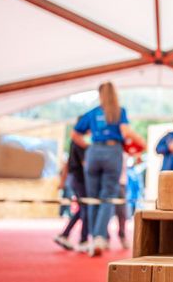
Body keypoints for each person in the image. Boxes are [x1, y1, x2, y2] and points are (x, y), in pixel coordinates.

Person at [72, 82, 144, 257]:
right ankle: (98, 237)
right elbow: (125, 131)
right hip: (113, 152)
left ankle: (93, 238)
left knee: (92, 198)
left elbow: (75, 134)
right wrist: (142, 142)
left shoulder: (93, 112)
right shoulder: (119, 111)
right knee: (107, 197)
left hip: (94, 152)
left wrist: (89, 146)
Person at [54, 115, 89, 251]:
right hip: (80, 179)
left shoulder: (74, 142)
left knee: (83, 208)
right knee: (85, 207)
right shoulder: (80, 142)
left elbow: (67, 163)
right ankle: (83, 240)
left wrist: (63, 181)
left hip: (75, 179)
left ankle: (66, 234)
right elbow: (84, 164)